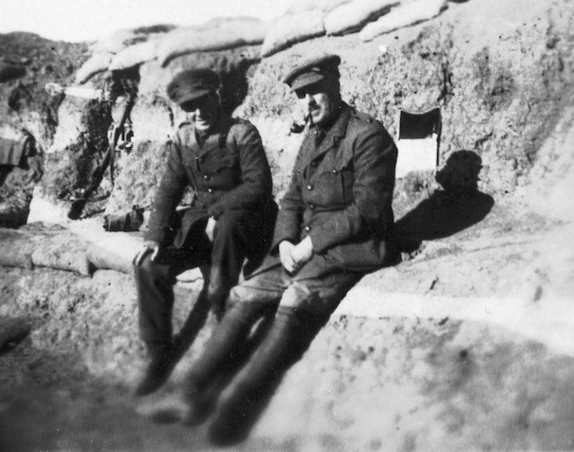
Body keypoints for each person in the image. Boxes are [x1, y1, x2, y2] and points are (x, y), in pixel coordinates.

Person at [147, 54, 399, 444]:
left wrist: (308, 245)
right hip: (302, 245)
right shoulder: (313, 135)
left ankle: (236, 409)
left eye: (315, 92)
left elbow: (367, 210)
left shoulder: (368, 136)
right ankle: (190, 391)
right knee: (245, 294)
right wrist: (284, 242)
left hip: (350, 249)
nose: (308, 103)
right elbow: (294, 196)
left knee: (293, 304)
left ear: (334, 87)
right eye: (301, 96)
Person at [132, 68, 276, 396]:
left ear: (217, 97)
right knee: (148, 266)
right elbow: (169, 189)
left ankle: (225, 326)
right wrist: (154, 236)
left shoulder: (242, 132)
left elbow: (259, 186)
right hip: (206, 225)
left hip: (246, 223)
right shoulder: (183, 138)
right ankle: (159, 355)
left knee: (225, 232)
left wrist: (216, 212)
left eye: (203, 102)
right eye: (189, 107)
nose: (198, 112)